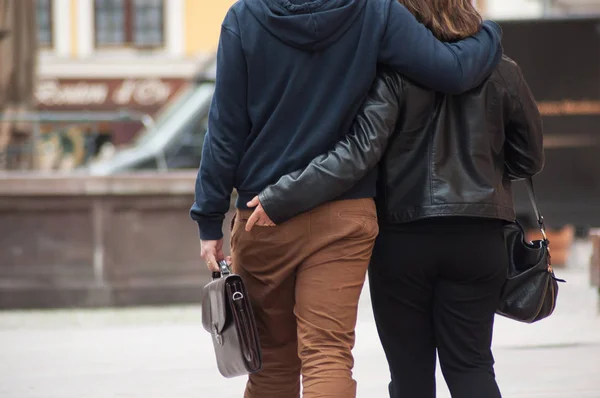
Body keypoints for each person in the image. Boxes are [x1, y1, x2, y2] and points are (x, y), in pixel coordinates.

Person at [191, 0, 504, 397]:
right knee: (328, 352)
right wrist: (491, 34)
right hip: (344, 211)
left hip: (261, 214)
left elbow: (224, 128)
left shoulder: (245, 17)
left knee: (271, 361)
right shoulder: (376, 11)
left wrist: (208, 217)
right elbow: (452, 69)